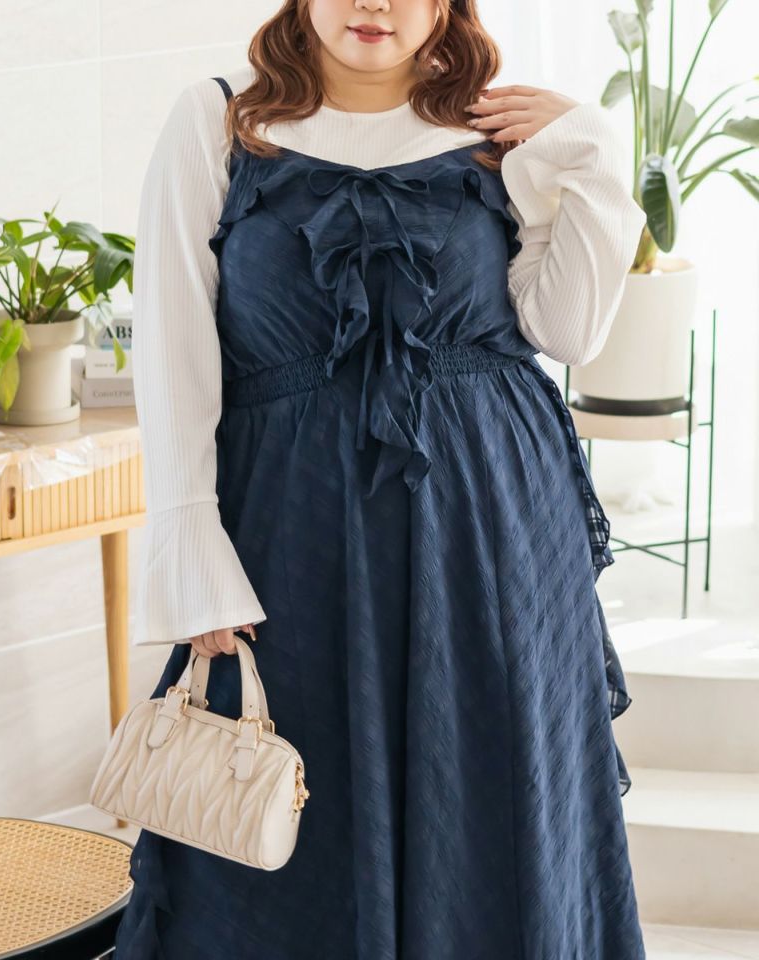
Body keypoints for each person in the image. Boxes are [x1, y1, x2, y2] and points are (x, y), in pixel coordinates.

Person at [114, 0, 648, 957]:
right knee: (286, 829)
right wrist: (192, 552)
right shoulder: (220, 119)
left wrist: (597, 152)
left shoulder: (499, 131)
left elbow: (566, 332)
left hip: (494, 534)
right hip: (289, 530)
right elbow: (172, 345)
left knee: (491, 814)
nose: (373, 4)